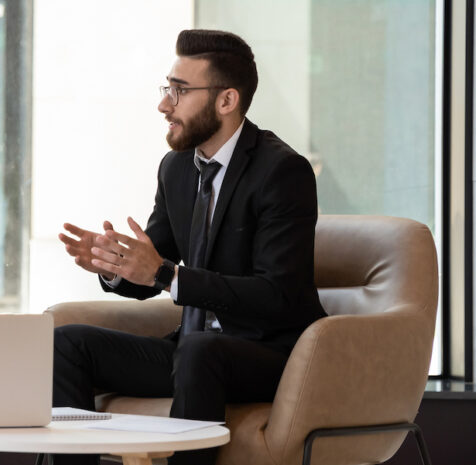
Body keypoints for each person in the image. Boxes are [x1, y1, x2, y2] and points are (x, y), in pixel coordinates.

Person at [54, 29, 327, 465]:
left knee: (200, 349)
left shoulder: (282, 172)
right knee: (67, 343)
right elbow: (151, 268)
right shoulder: (177, 168)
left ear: (226, 101)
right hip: (194, 350)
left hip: (270, 354)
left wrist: (165, 274)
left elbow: (278, 295)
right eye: (168, 89)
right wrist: (114, 265)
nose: (165, 105)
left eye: (179, 92)